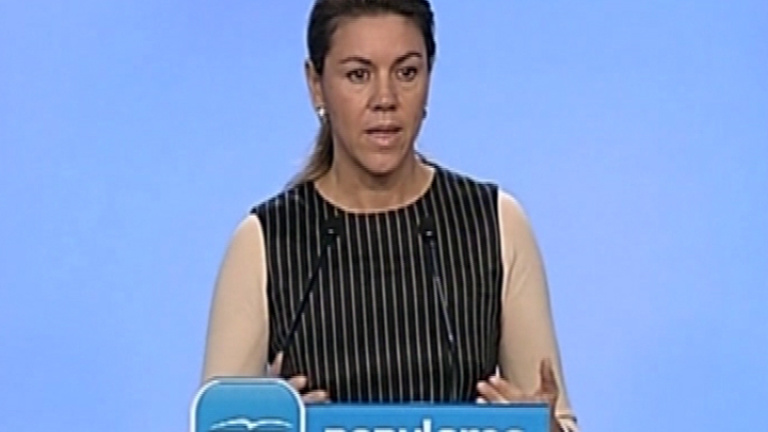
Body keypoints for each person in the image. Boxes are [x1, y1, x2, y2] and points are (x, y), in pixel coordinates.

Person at [201, 1, 579, 431]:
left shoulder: (493, 223)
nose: (385, 99)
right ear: (316, 85)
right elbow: (217, 423)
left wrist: (544, 427)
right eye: (358, 75)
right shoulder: (265, 241)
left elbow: (555, 417)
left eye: (407, 72)